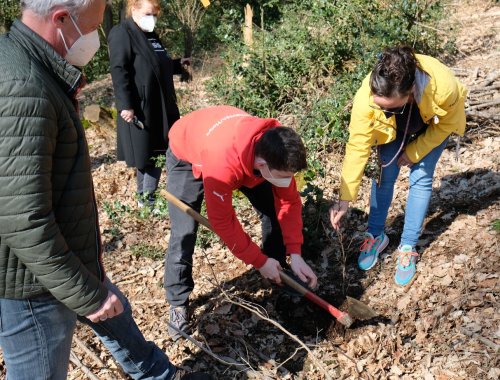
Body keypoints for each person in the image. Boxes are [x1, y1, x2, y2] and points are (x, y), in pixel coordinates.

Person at [0, 1, 210, 379]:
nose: (95, 38)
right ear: (61, 19)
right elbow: (23, 218)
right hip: (35, 286)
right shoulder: (24, 88)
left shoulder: (29, 67)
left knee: (118, 316)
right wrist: (86, 294)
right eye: (93, 26)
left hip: (66, 257)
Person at [165, 105, 318, 340]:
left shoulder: (278, 147)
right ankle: (177, 302)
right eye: (284, 176)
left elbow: (289, 204)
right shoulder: (222, 164)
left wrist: (295, 252)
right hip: (187, 150)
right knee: (183, 232)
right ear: (262, 165)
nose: (288, 182)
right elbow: (223, 221)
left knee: (272, 210)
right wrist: (257, 260)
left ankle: (276, 270)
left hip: (231, 146)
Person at [330, 45, 467, 286]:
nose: (381, 110)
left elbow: (447, 123)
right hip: (394, 129)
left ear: (411, 90)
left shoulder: (443, 87)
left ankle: (408, 246)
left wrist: (415, 151)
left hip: (432, 126)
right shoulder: (367, 95)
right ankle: (376, 235)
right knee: (385, 173)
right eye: (379, 106)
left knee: (421, 178)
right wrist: (345, 198)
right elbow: (357, 145)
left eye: (389, 107)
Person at [108, 0, 189, 208]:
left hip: (161, 104)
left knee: (154, 152)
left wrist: (178, 65)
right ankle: (147, 201)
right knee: (150, 154)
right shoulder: (122, 32)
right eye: (148, 13)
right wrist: (125, 104)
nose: (152, 19)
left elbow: (156, 64)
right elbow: (119, 69)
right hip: (141, 106)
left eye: (155, 15)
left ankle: (144, 200)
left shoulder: (151, 35)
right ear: (133, 9)